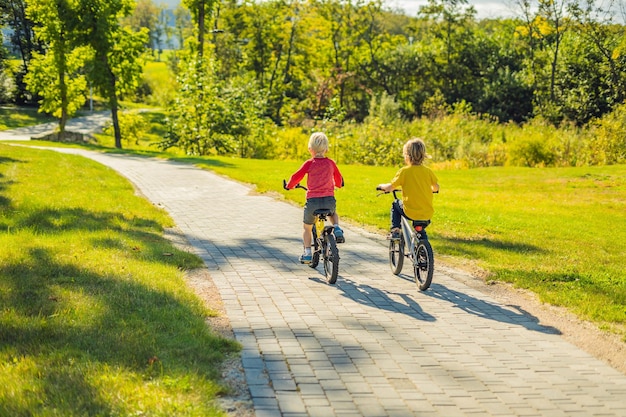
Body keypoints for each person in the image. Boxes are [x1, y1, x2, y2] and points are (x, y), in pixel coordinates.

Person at [285, 132, 345, 263]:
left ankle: (307, 253)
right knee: (333, 213)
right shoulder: (330, 163)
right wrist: (339, 185)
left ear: (310, 149)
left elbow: (296, 177)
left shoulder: (309, 163)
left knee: (307, 228)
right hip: (329, 199)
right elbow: (338, 178)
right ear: (326, 149)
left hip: (313, 202)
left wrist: (289, 186)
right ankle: (337, 228)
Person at [377, 137, 439, 240]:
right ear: (423, 155)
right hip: (427, 213)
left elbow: (390, 187)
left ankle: (395, 230)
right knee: (420, 230)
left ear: (407, 156)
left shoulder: (404, 172)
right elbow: (436, 187)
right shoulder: (428, 172)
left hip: (410, 211)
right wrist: (431, 189)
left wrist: (381, 186)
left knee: (395, 204)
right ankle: (424, 251)